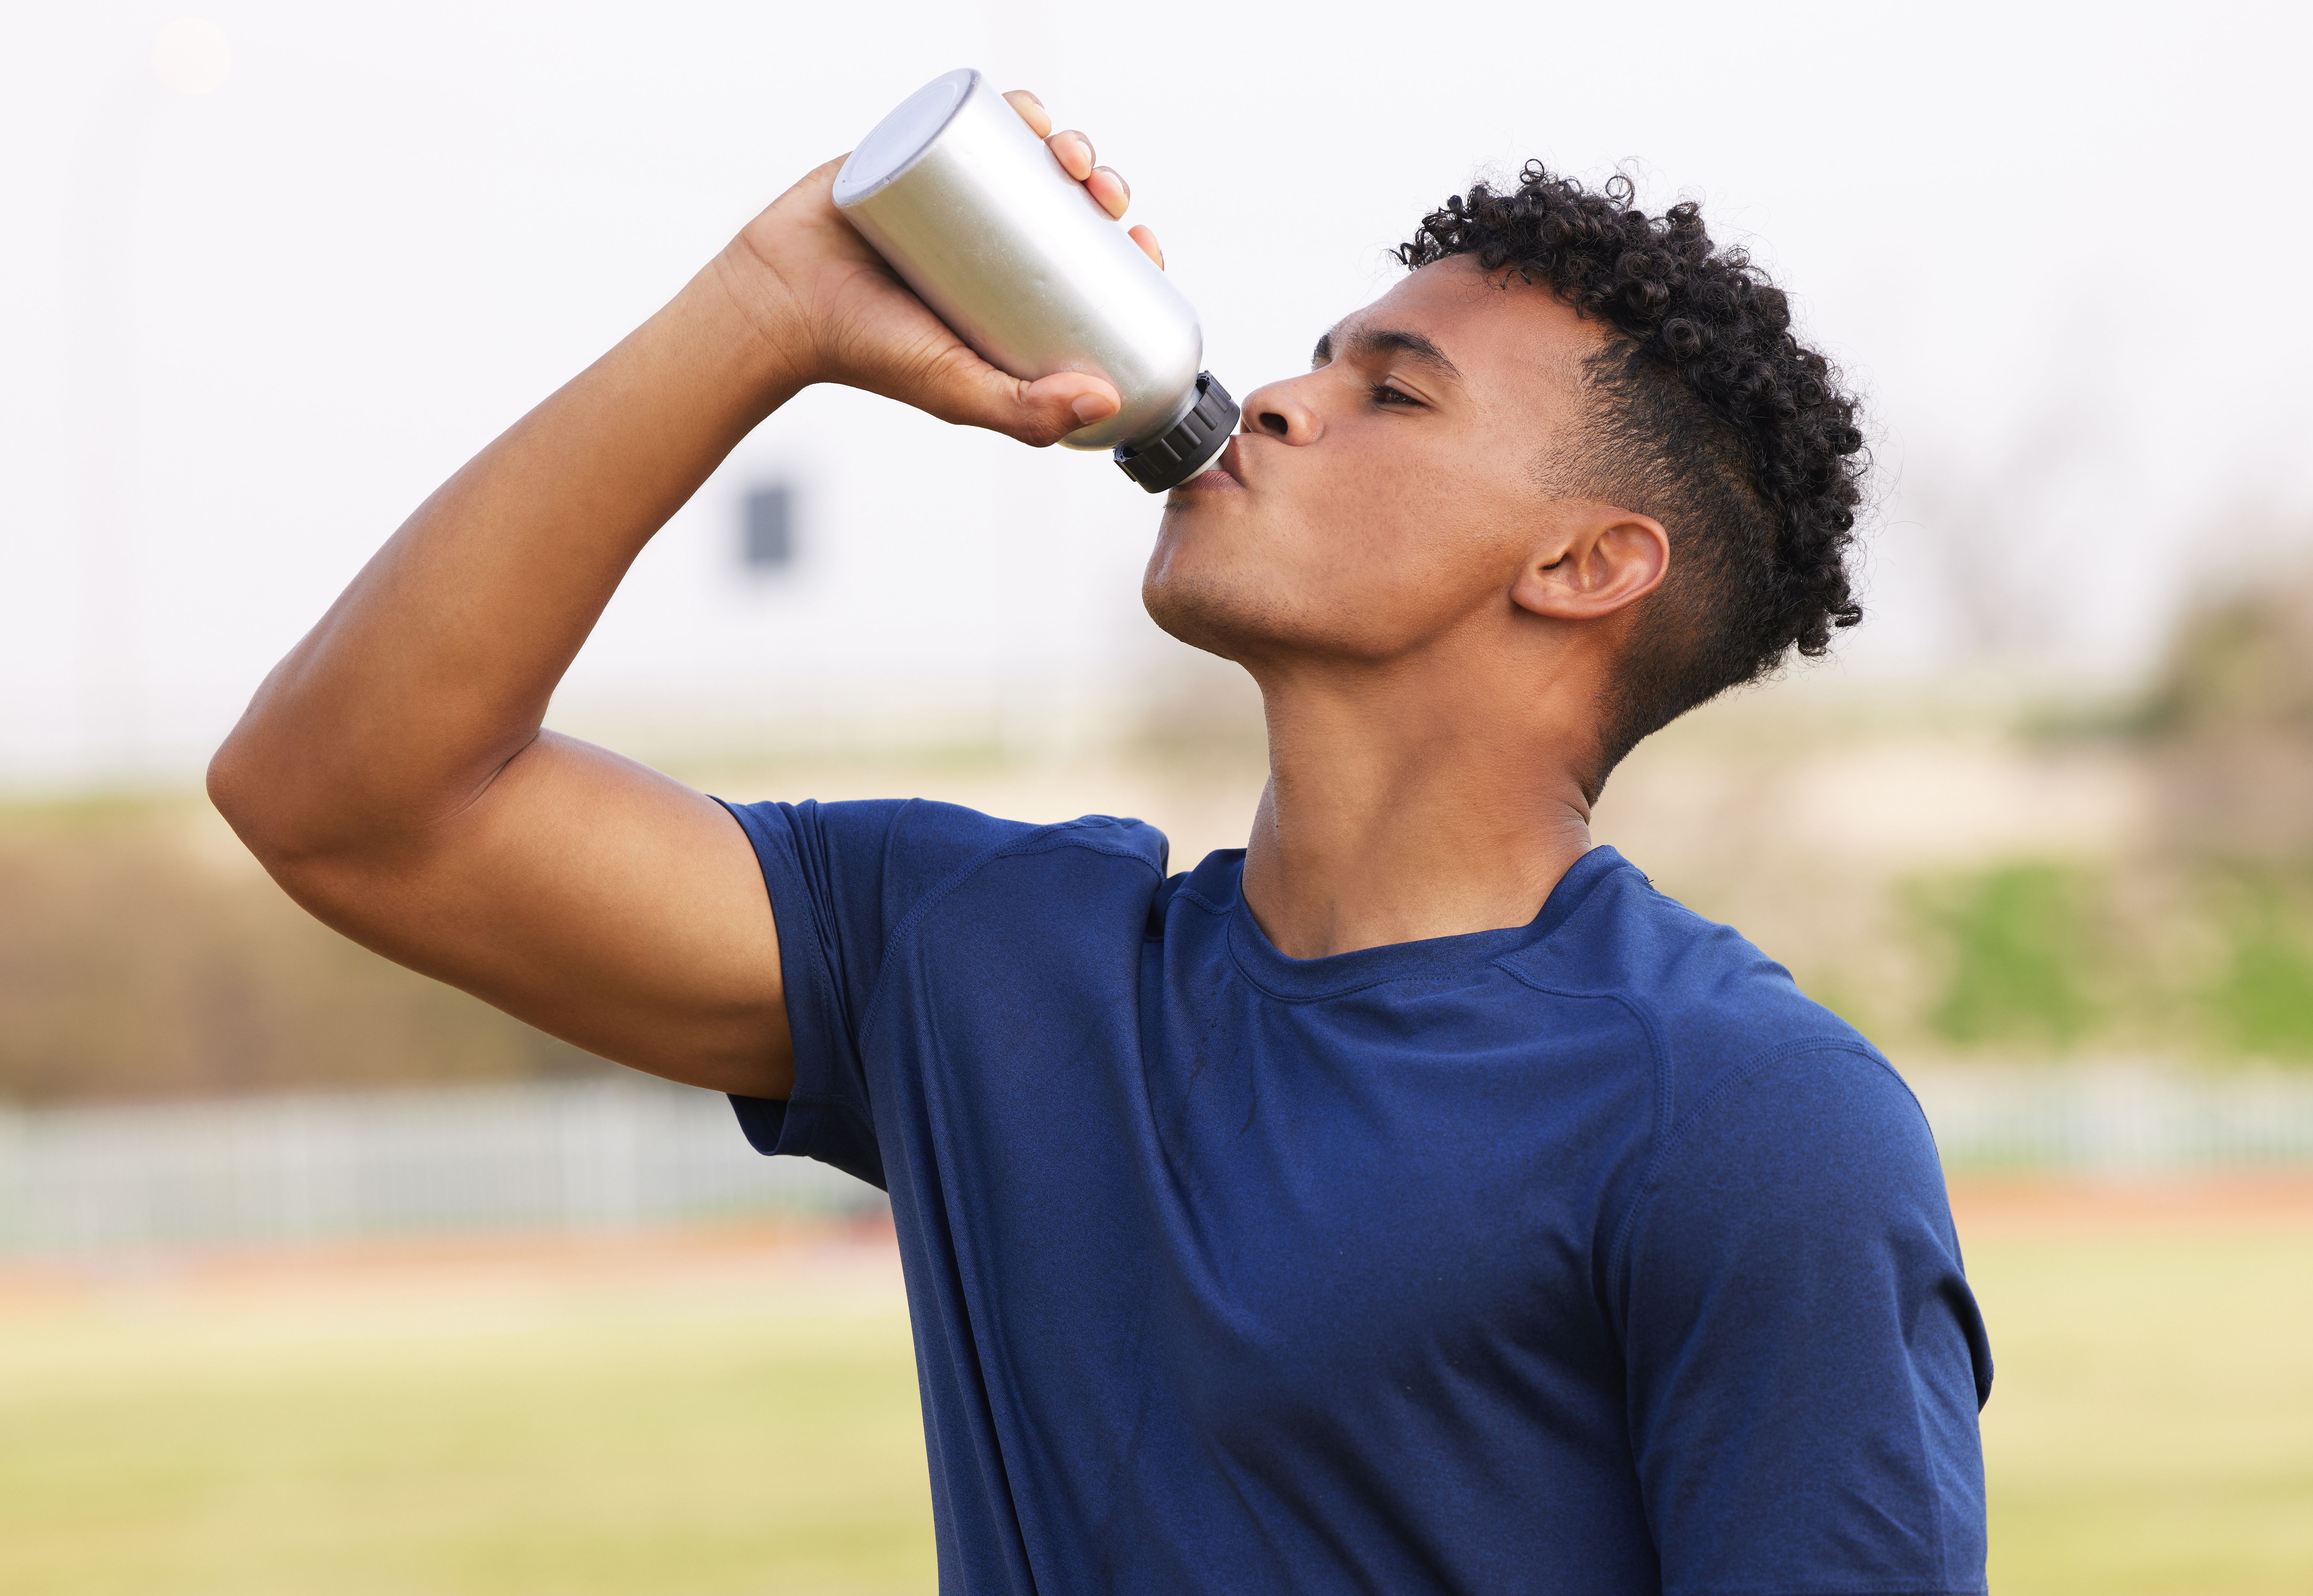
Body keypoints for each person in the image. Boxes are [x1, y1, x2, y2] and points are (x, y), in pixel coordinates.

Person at [211, 89, 1991, 1596]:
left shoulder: (1746, 1117)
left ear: (1589, 566)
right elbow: (344, 801)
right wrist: (765, 309)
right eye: (1307, 361)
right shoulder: (985, 959)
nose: (1281, 400)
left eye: (1395, 392)